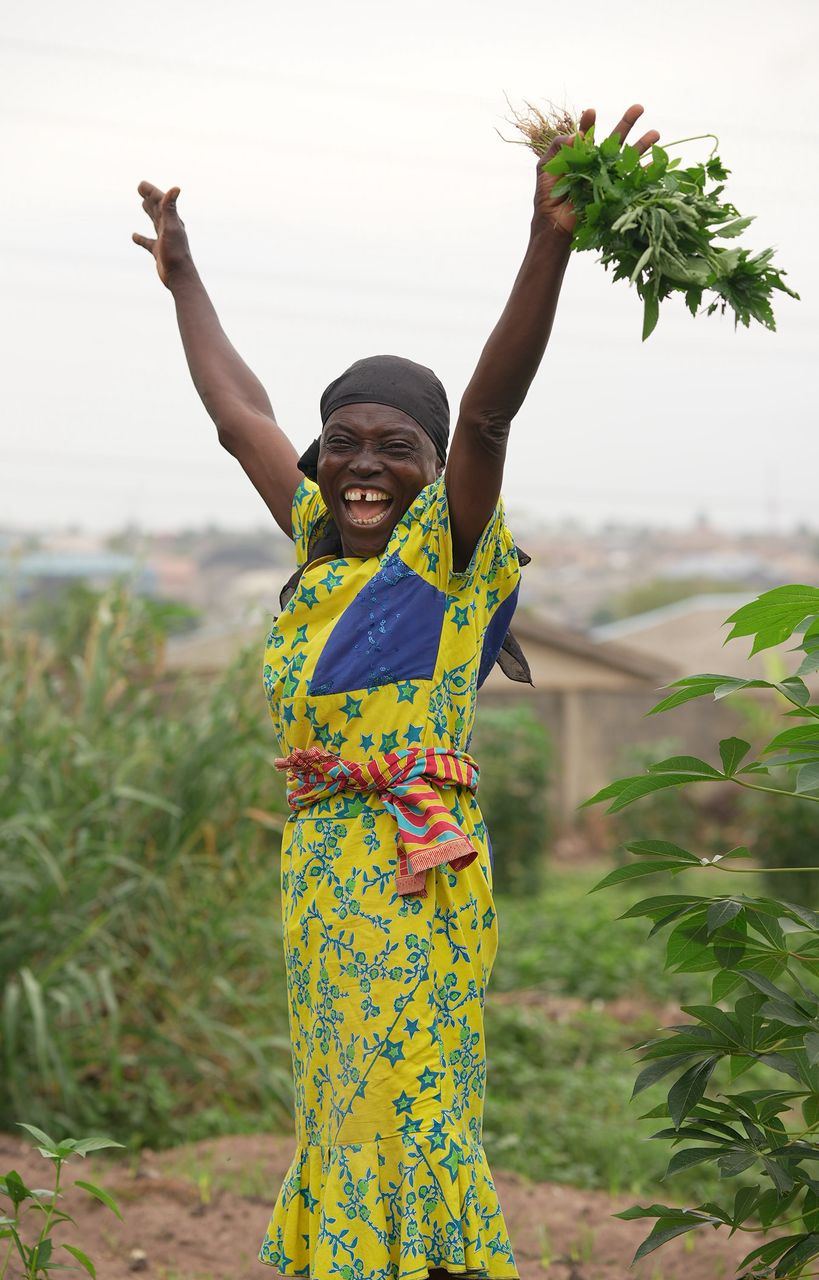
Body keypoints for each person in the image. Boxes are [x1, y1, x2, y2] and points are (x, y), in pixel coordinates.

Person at [133, 103, 659, 1280]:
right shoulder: (320, 546)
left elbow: (485, 412)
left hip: (411, 870)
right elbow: (238, 419)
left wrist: (548, 242)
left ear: (429, 475)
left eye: (392, 448)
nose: (361, 463)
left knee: (402, 1108)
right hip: (321, 868)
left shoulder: (445, 556)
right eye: (343, 442)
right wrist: (184, 277)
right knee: (343, 1107)